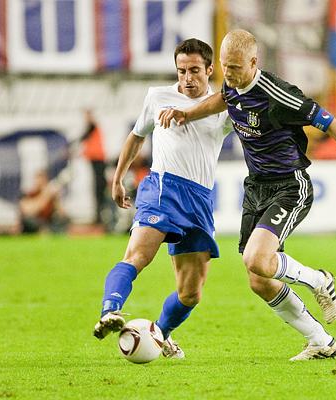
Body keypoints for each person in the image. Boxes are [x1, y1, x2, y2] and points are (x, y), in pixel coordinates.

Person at [159, 29, 336, 361]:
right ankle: (321, 341)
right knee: (259, 279)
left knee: (256, 259)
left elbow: (332, 124)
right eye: (225, 67)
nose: (228, 75)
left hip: (289, 186)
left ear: (254, 62)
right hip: (255, 187)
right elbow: (224, 98)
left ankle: (319, 279)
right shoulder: (232, 81)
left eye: (236, 68)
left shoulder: (279, 95)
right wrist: (188, 113)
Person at [92, 38, 232, 359]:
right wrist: (117, 178)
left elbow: (238, 101)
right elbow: (137, 135)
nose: (187, 78)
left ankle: (158, 335)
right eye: (181, 71)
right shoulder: (157, 96)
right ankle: (110, 310)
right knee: (138, 256)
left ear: (210, 70)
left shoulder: (220, 107)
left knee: (191, 293)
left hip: (199, 200)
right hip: (162, 188)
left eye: (195, 70)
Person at [80, 109, 108, 225]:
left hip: (98, 160)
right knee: (98, 189)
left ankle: (100, 216)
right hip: (96, 160)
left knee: (99, 189)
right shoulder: (93, 128)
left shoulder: (92, 127)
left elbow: (84, 136)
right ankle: (100, 215)